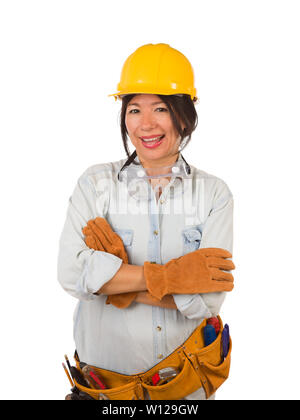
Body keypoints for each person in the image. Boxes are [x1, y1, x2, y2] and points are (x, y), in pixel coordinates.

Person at [57, 43, 235, 401]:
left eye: (161, 108)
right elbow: (71, 275)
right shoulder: (95, 185)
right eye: (134, 108)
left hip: (185, 388)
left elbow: (208, 299)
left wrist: (113, 283)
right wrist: (168, 277)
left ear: (184, 116)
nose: (146, 124)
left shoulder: (215, 194)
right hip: (105, 392)